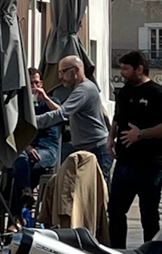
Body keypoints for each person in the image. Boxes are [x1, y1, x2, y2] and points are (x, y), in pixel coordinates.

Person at [107, 51, 162, 247]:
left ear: (139, 69)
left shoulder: (158, 94)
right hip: (125, 162)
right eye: (121, 68)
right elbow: (118, 117)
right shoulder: (125, 91)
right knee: (115, 211)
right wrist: (110, 137)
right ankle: (117, 253)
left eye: (126, 68)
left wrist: (142, 134)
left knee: (149, 214)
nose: (123, 73)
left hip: (151, 164)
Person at [33, 55, 112, 181]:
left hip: (96, 149)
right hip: (86, 148)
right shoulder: (82, 88)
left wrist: (31, 121)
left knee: (97, 195)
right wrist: (47, 99)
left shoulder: (83, 90)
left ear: (75, 70)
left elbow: (61, 114)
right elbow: (64, 113)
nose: (60, 77)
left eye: (62, 72)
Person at [12, 68, 61, 211]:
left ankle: (17, 215)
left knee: (20, 171)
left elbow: (62, 114)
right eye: (31, 84)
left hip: (47, 148)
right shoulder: (20, 104)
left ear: (42, 84)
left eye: (37, 83)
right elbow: (15, 129)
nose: (34, 87)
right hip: (27, 148)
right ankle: (26, 192)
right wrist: (28, 147)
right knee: (21, 158)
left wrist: (45, 98)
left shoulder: (50, 101)